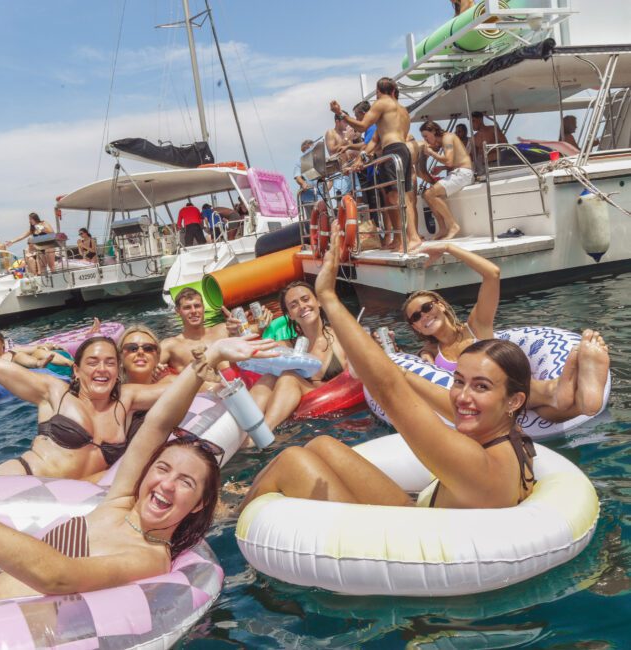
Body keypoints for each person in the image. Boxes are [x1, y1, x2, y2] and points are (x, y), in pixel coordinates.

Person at [239, 220, 536, 511]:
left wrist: (329, 296)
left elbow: (389, 391)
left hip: (412, 538)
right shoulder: (508, 430)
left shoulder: (476, 465)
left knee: (292, 459)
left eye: (481, 386)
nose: (461, 395)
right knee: (321, 445)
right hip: (421, 509)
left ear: (514, 399)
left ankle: (235, 515)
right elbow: (433, 395)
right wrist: (399, 369)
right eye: (459, 381)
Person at [0, 335, 278, 602]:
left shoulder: (150, 556)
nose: (166, 484)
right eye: (162, 468)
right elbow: (158, 424)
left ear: (200, 503)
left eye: (186, 482)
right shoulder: (118, 502)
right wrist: (212, 354)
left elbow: (58, 576)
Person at [399, 242, 610, 420]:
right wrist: (424, 354)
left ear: (440, 306)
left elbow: (492, 274)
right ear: (415, 327)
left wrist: (448, 247)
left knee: (530, 399)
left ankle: (557, 391)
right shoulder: (432, 353)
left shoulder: (476, 326)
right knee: (546, 412)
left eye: (427, 307)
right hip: (488, 406)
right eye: (415, 317)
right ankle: (573, 395)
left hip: (511, 391)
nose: (424, 316)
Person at [0, 330, 170, 479]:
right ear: (77, 370)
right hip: (24, 480)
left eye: (110, 362)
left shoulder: (126, 398)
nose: (102, 369)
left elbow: (179, 388)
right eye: (92, 362)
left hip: (73, 500)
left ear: (117, 369)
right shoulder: (54, 391)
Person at [331, 77, 422, 252]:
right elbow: (375, 140)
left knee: (396, 198)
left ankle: (412, 238)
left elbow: (363, 126)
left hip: (393, 152)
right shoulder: (402, 110)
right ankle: (399, 238)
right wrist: (361, 158)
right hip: (402, 150)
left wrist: (340, 113)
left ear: (378, 91)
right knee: (397, 197)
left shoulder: (382, 103)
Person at [246, 281, 348, 431]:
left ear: (318, 301)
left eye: (305, 299)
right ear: (290, 315)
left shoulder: (341, 336)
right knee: (268, 377)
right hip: (306, 416)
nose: (302, 306)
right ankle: (241, 431)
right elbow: (249, 357)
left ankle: (263, 434)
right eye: (293, 305)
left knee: (289, 377)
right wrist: (246, 332)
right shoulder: (287, 346)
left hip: (336, 407)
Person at [159, 288, 229, 382]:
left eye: (197, 306)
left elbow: (253, 328)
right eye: (187, 307)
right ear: (177, 311)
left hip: (238, 386)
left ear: (203, 308)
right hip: (204, 392)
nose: (193, 311)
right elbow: (146, 368)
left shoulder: (223, 329)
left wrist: (239, 327)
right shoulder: (171, 345)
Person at [419, 121, 473, 240]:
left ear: (433, 131)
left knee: (429, 193)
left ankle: (453, 226)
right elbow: (452, 162)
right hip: (458, 172)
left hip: (464, 173)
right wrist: (442, 168)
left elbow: (448, 160)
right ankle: (443, 229)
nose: (426, 139)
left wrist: (431, 153)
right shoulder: (443, 140)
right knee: (426, 195)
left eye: (426, 136)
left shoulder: (447, 138)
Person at [0, 331, 72, 372]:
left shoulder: (12, 351)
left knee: (39, 352)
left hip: (27, 366)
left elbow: (36, 347)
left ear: (2, 343)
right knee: (18, 356)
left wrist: (54, 346)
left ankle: (71, 363)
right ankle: (38, 364)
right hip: (13, 371)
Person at [293, 139, 318, 209]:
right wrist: (303, 183)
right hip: (308, 197)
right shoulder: (299, 161)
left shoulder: (319, 159)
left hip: (321, 196)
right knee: (311, 219)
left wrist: (327, 187)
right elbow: (297, 177)